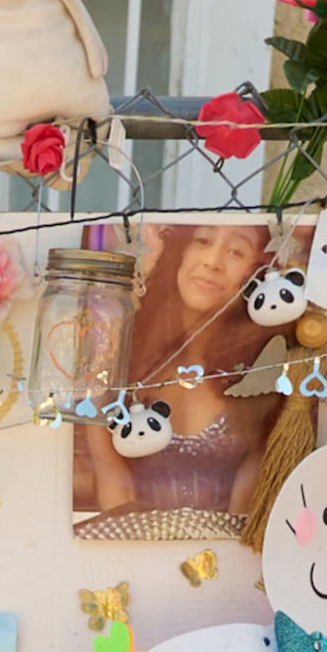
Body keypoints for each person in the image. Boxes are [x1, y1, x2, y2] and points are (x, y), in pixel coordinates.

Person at [76, 221, 290, 523]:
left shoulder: (260, 375)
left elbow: (247, 510)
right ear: (179, 252)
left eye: (236, 252)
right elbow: (111, 481)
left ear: (256, 274)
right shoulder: (119, 357)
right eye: (202, 241)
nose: (212, 262)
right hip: (127, 550)